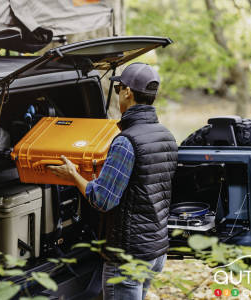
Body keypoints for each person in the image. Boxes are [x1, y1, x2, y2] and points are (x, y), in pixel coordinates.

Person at [48, 62, 178, 300]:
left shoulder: (126, 141)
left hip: (128, 256)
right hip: (155, 251)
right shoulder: (166, 135)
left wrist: (73, 175)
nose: (118, 94)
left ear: (127, 92)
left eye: (119, 89)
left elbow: (103, 200)